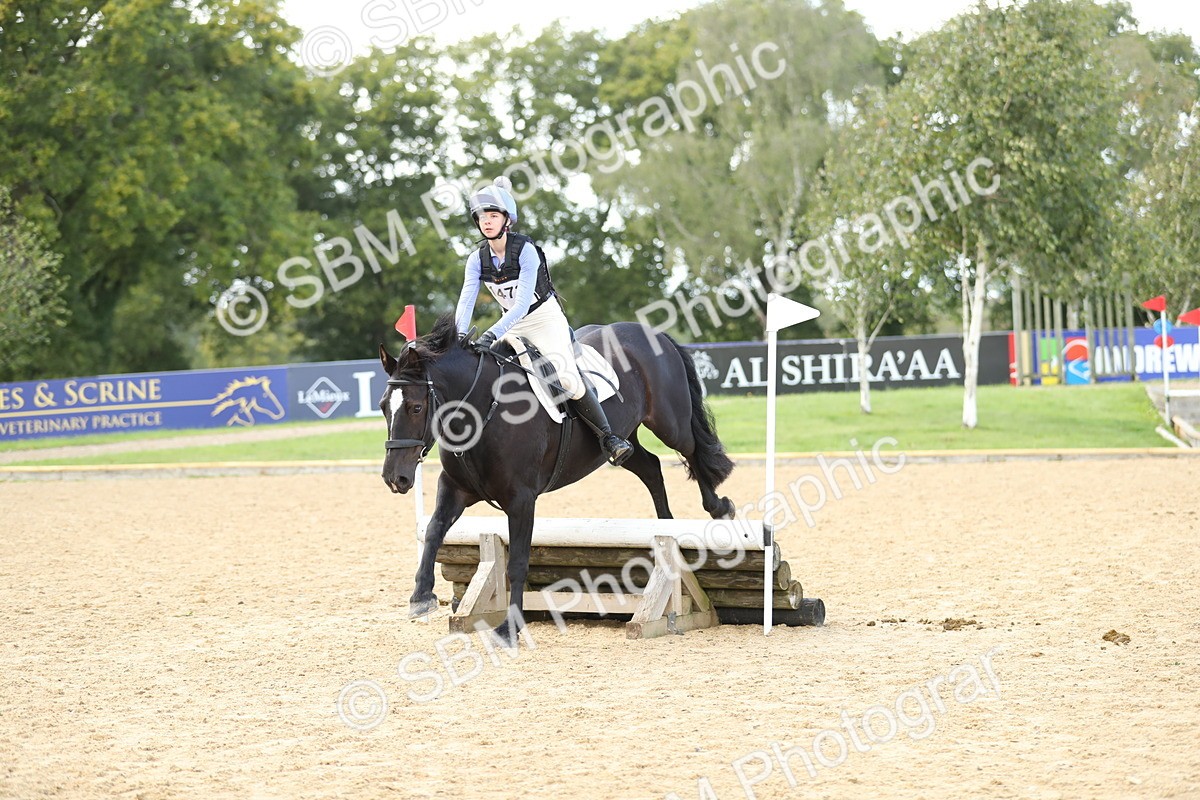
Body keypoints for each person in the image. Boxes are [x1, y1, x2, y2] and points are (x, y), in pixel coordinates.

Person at [454, 177, 633, 466]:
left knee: (565, 378)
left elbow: (523, 304)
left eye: (493, 215)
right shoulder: (476, 259)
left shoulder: (525, 250)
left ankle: (609, 438)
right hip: (509, 324)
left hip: (543, 320)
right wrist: (459, 337)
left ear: (507, 221)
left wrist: (491, 333)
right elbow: (466, 301)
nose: (486, 222)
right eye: (482, 217)